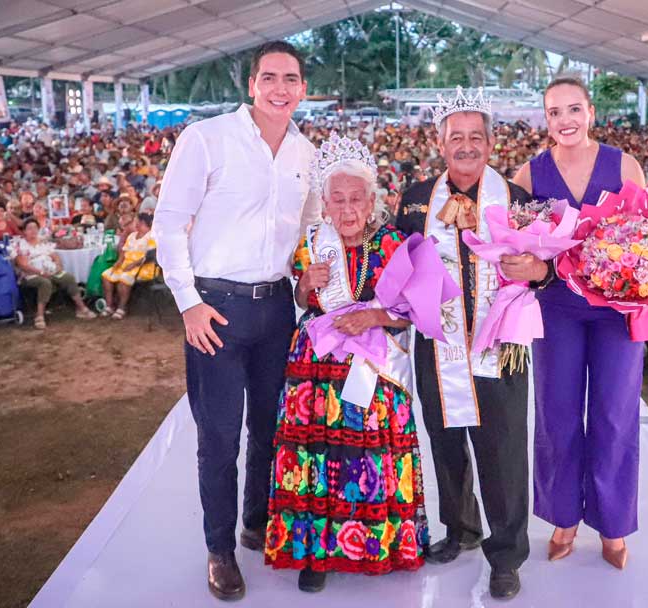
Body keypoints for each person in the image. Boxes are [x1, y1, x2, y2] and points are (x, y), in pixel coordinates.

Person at [150, 41, 319, 601]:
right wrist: (188, 302)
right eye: (269, 77)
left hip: (277, 308)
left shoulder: (305, 154)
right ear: (251, 85)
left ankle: (256, 521)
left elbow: (309, 228)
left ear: (302, 89)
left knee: (271, 429)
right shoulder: (207, 138)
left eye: (290, 79)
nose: (279, 88)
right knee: (219, 437)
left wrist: (310, 278)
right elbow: (168, 223)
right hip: (215, 307)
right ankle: (219, 549)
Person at [263, 135, 427, 592]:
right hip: (316, 370)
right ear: (325, 204)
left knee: (368, 453)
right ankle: (315, 553)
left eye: (357, 199)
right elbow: (302, 302)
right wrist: (304, 285)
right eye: (338, 199)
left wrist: (373, 316)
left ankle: (377, 545)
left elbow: (413, 310)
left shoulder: (393, 243)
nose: (348, 208)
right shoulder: (313, 243)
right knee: (317, 457)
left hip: (372, 367)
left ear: (372, 201)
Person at [397, 86, 530, 599]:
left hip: (501, 346)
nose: (467, 146)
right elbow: (396, 262)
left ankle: (507, 554)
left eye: (477, 136)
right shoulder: (415, 198)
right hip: (438, 345)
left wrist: (537, 270)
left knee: (503, 450)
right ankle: (460, 528)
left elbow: (546, 271)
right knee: (446, 440)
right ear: (440, 142)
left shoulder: (517, 201)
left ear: (491, 144)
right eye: (457, 137)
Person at [512, 75, 647, 571]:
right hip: (557, 308)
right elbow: (516, 241)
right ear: (545, 119)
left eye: (573, 109)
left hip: (615, 310)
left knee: (614, 415)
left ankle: (613, 524)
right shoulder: (529, 175)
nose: (565, 120)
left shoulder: (624, 164)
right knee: (558, 413)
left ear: (590, 112)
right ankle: (563, 518)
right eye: (554, 112)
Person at [13, 218, 96, 329]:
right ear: (24, 231)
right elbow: (23, 265)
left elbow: (55, 257)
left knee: (68, 278)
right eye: (29, 228)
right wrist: (41, 272)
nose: (33, 231)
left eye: (35, 228)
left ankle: (81, 308)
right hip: (30, 274)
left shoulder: (43, 242)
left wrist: (58, 266)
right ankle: (39, 315)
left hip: (49, 270)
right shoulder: (21, 245)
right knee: (45, 282)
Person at [100, 213, 157, 320]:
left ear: (142, 222)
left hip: (143, 266)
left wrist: (133, 264)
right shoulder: (132, 236)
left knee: (124, 278)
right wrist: (119, 261)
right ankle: (109, 306)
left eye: (135, 221)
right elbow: (124, 251)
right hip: (126, 264)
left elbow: (150, 256)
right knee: (106, 275)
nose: (134, 223)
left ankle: (122, 308)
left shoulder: (151, 236)